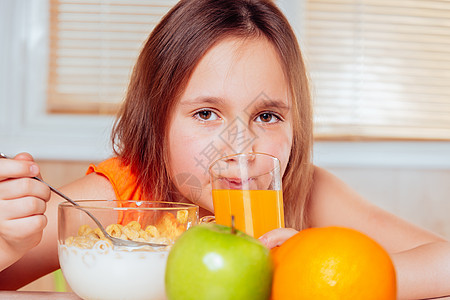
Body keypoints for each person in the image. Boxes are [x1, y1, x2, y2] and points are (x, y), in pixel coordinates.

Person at [0, 0, 449, 298]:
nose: (241, 147)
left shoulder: (304, 189)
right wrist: (5, 242)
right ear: (157, 121)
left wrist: (318, 273)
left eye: (267, 117)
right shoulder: (118, 198)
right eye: (206, 114)